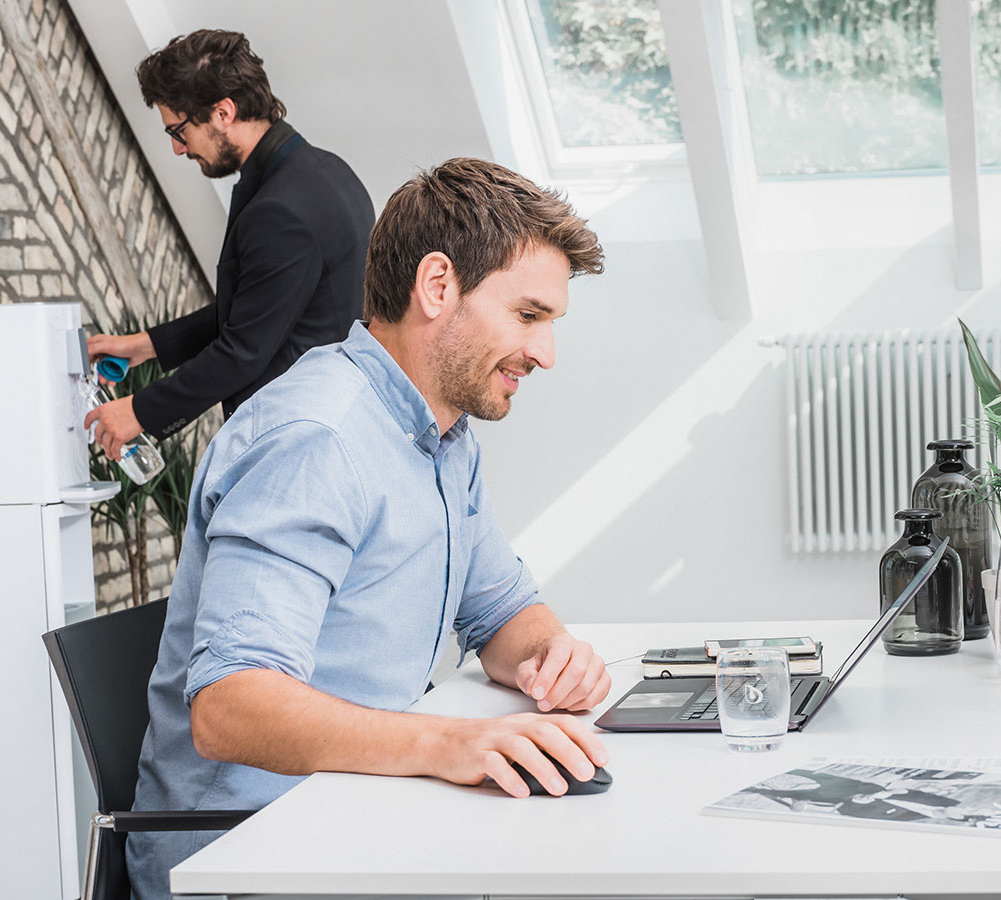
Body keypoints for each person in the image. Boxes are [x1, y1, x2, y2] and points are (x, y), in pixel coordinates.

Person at [124, 157, 609, 899]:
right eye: (528, 316)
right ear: (437, 285)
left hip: (355, 809)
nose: (545, 354)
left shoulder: (444, 436)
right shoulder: (318, 438)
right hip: (246, 852)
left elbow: (499, 610)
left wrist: (551, 653)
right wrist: (449, 743)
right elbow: (231, 706)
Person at [84, 29, 374, 455]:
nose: (178, 149)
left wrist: (139, 411)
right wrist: (146, 345)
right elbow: (259, 306)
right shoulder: (327, 172)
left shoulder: (280, 210)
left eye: (179, 130)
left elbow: (244, 351)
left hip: (293, 443)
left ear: (223, 112)